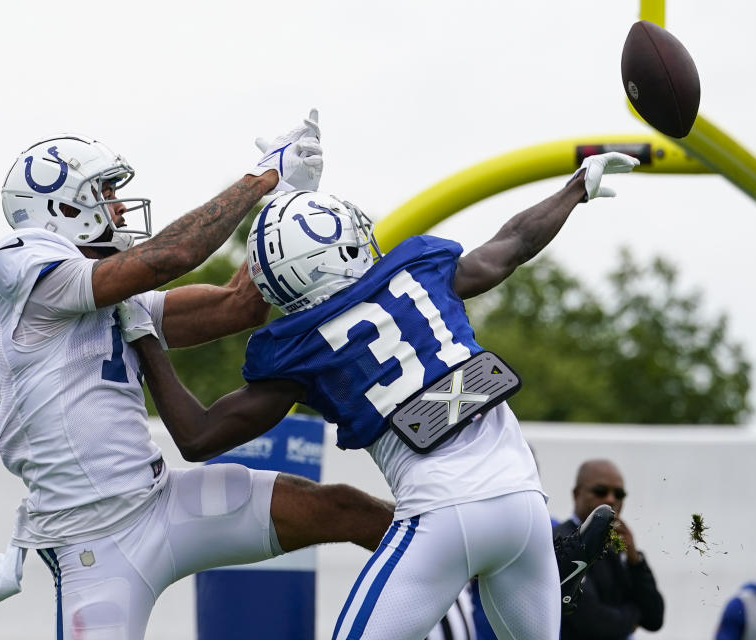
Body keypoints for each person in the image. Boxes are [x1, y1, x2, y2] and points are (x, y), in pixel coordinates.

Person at [116, 150, 639, 639]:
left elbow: (199, 435)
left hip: (442, 520)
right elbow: (512, 244)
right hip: (526, 510)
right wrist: (574, 189)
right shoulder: (422, 274)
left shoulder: (301, 350)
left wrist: (143, 333)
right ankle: (560, 555)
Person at [0, 111, 402, 640]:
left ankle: (471, 570)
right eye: (105, 191)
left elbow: (239, 306)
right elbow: (173, 255)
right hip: (89, 543)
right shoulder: (18, 262)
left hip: (162, 503)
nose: (117, 204)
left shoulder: (117, 299)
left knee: (339, 507)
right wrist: (261, 178)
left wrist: (281, 203)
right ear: (63, 208)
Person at [555, 459, 664, 639]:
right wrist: (635, 617)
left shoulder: (621, 545)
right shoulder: (562, 541)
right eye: (600, 491)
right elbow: (594, 623)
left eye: (619, 494)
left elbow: (654, 619)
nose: (610, 499)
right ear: (577, 494)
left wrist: (635, 560)